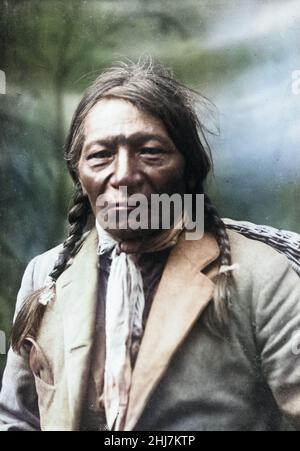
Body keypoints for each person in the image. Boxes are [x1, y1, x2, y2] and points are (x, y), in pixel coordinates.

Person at [1, 59, 300, 431]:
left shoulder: (260, 277)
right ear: (79, 172)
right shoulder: (45, 276)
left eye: (150, 151)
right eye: (100, 155)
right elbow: (16, 420)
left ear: (187, 168)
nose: (124, 174)